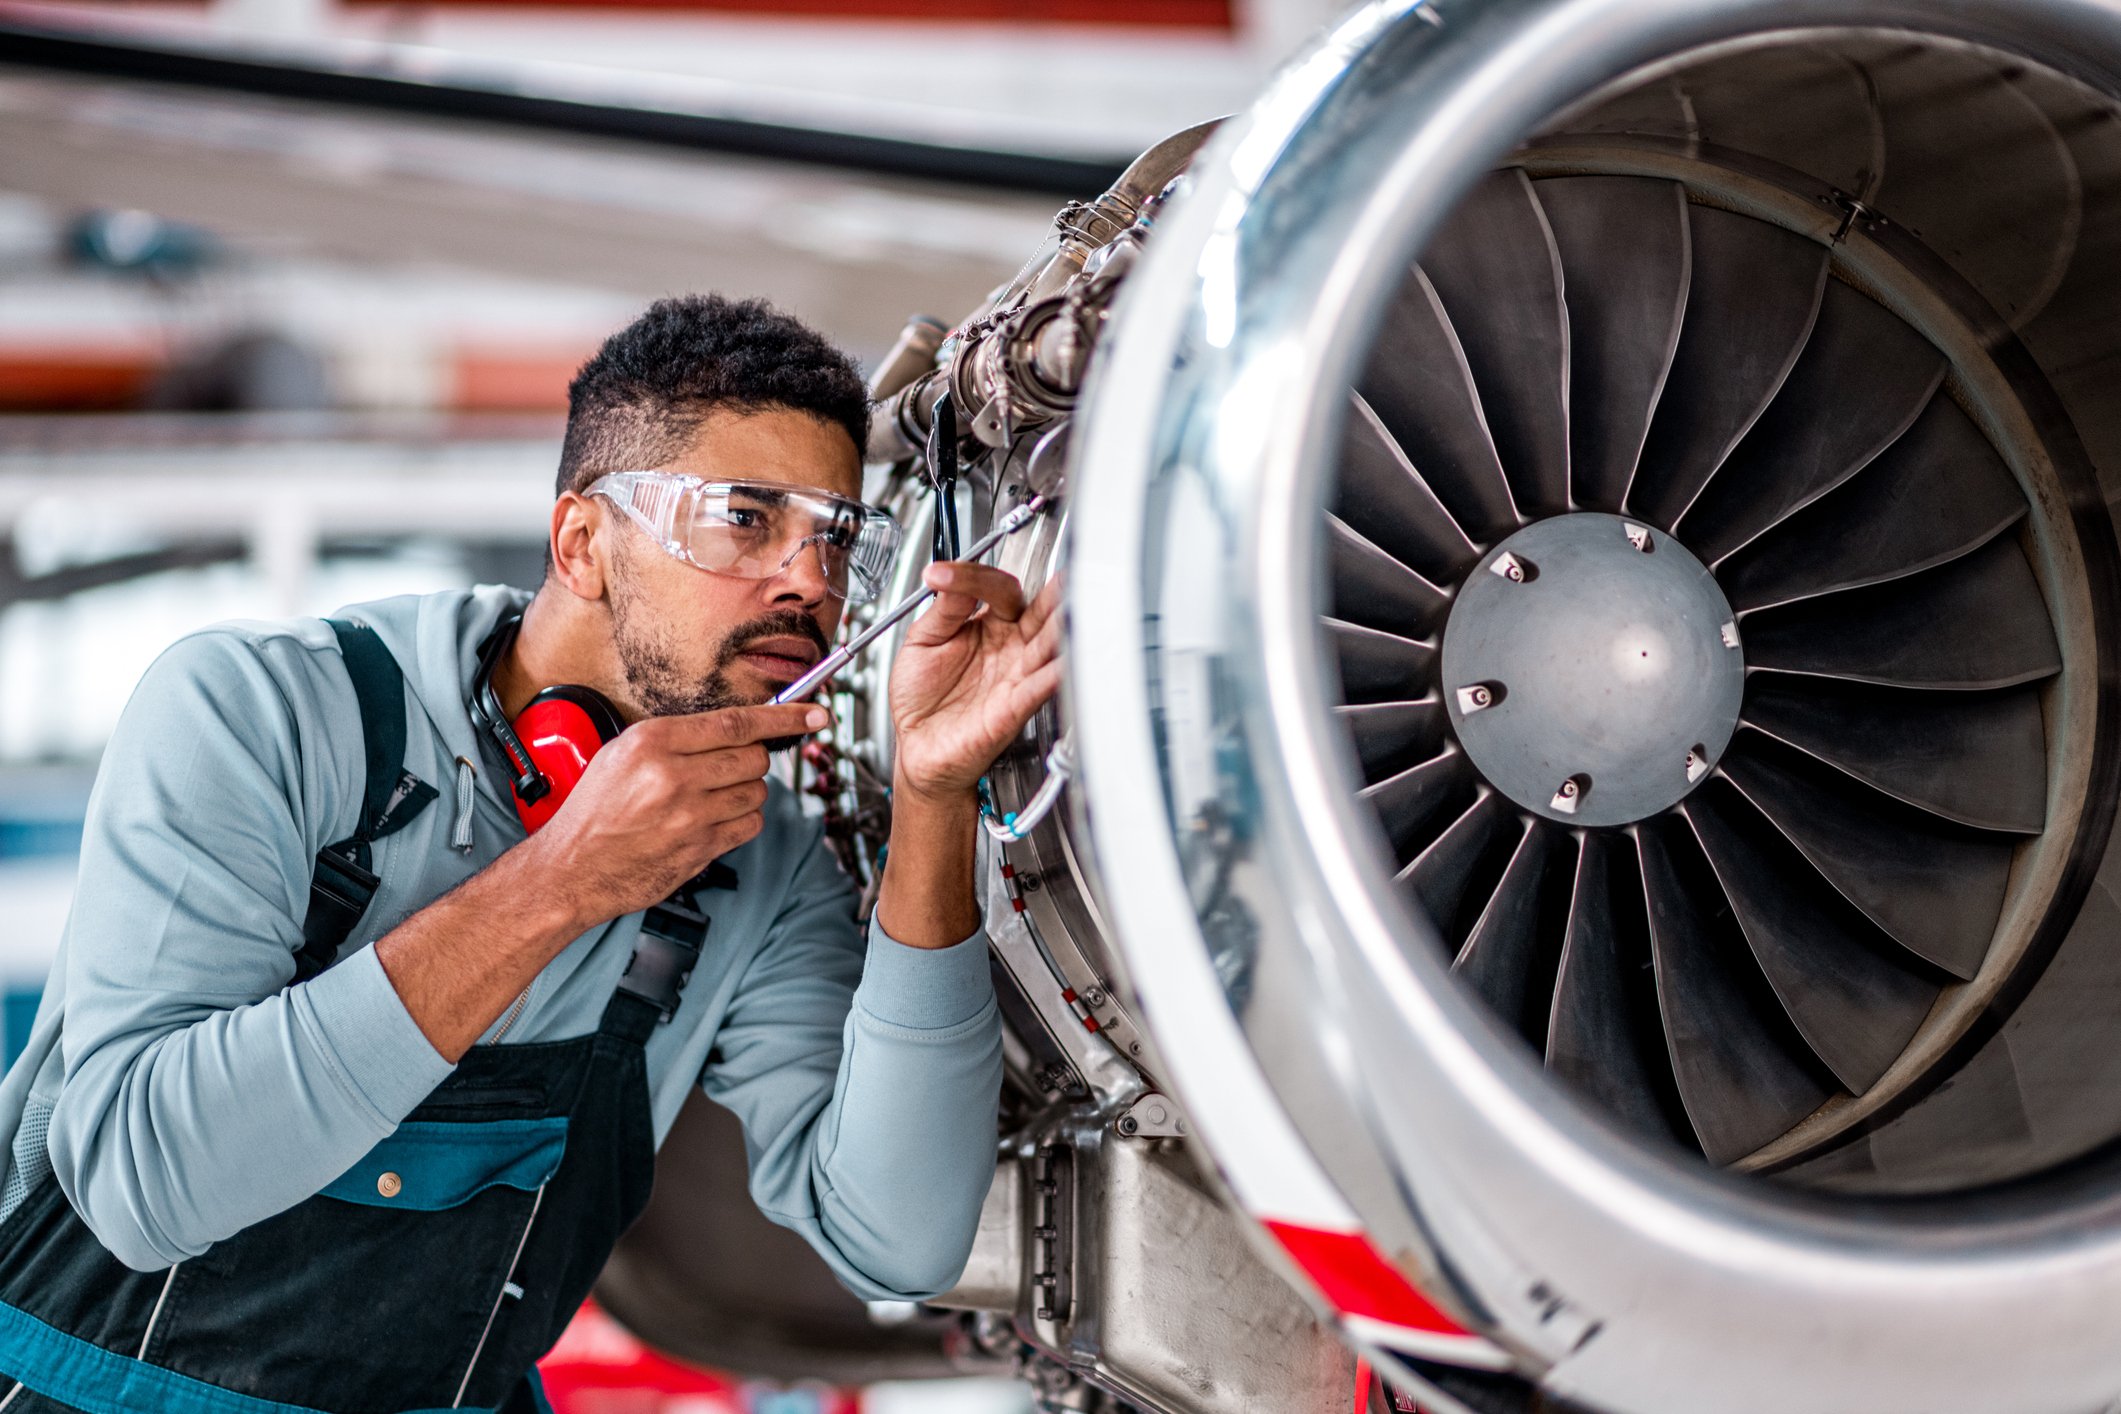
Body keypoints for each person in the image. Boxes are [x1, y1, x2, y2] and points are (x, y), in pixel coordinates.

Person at [0, 294, 1058, 1413]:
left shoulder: (758, 859)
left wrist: (936, 800)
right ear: (582, 543)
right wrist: (559, 886)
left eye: (836, 535)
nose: (811, 580)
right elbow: (141, 1180)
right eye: (746, 517)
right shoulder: (258, 712)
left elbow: (896, 1238)